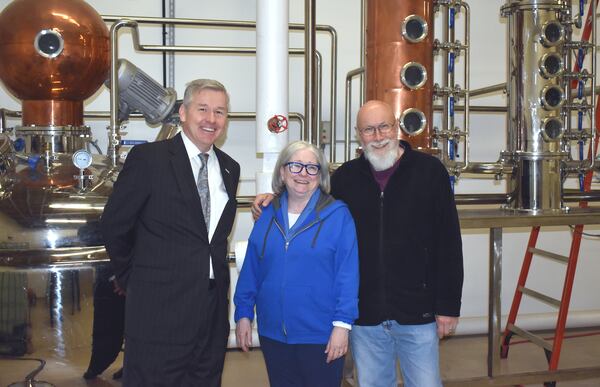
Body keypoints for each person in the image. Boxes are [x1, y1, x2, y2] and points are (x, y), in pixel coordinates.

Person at [252, 100, 463, 387]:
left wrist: (448, 306)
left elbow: (448, 243)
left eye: (383, 127)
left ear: (397, 127)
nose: (377, 136)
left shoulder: (430, 172)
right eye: (368, 130)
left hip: (418, 312)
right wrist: (272, 201)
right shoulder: (345, 179)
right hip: (366, 316)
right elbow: (307, 199)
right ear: (358, 135)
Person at [101, 79, 240, 387]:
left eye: (220, 112)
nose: (211, 119)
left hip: (211, 310)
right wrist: (133, 279)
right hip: (157, 311)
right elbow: (114, 225)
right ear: (183, 112)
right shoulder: (150, 160)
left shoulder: (230, 168)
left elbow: (211, 238)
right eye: (202, 109)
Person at [235, 140, 359, 387]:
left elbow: (348, 275)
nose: (303, 174)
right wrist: (243, 314)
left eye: (312, 168)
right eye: (295, 166)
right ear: (282, 171)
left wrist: (342, 326)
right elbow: (251, 269)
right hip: (273, 335)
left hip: (320, 336)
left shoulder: (338, 216)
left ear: (320, 176)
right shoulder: (266, 214)